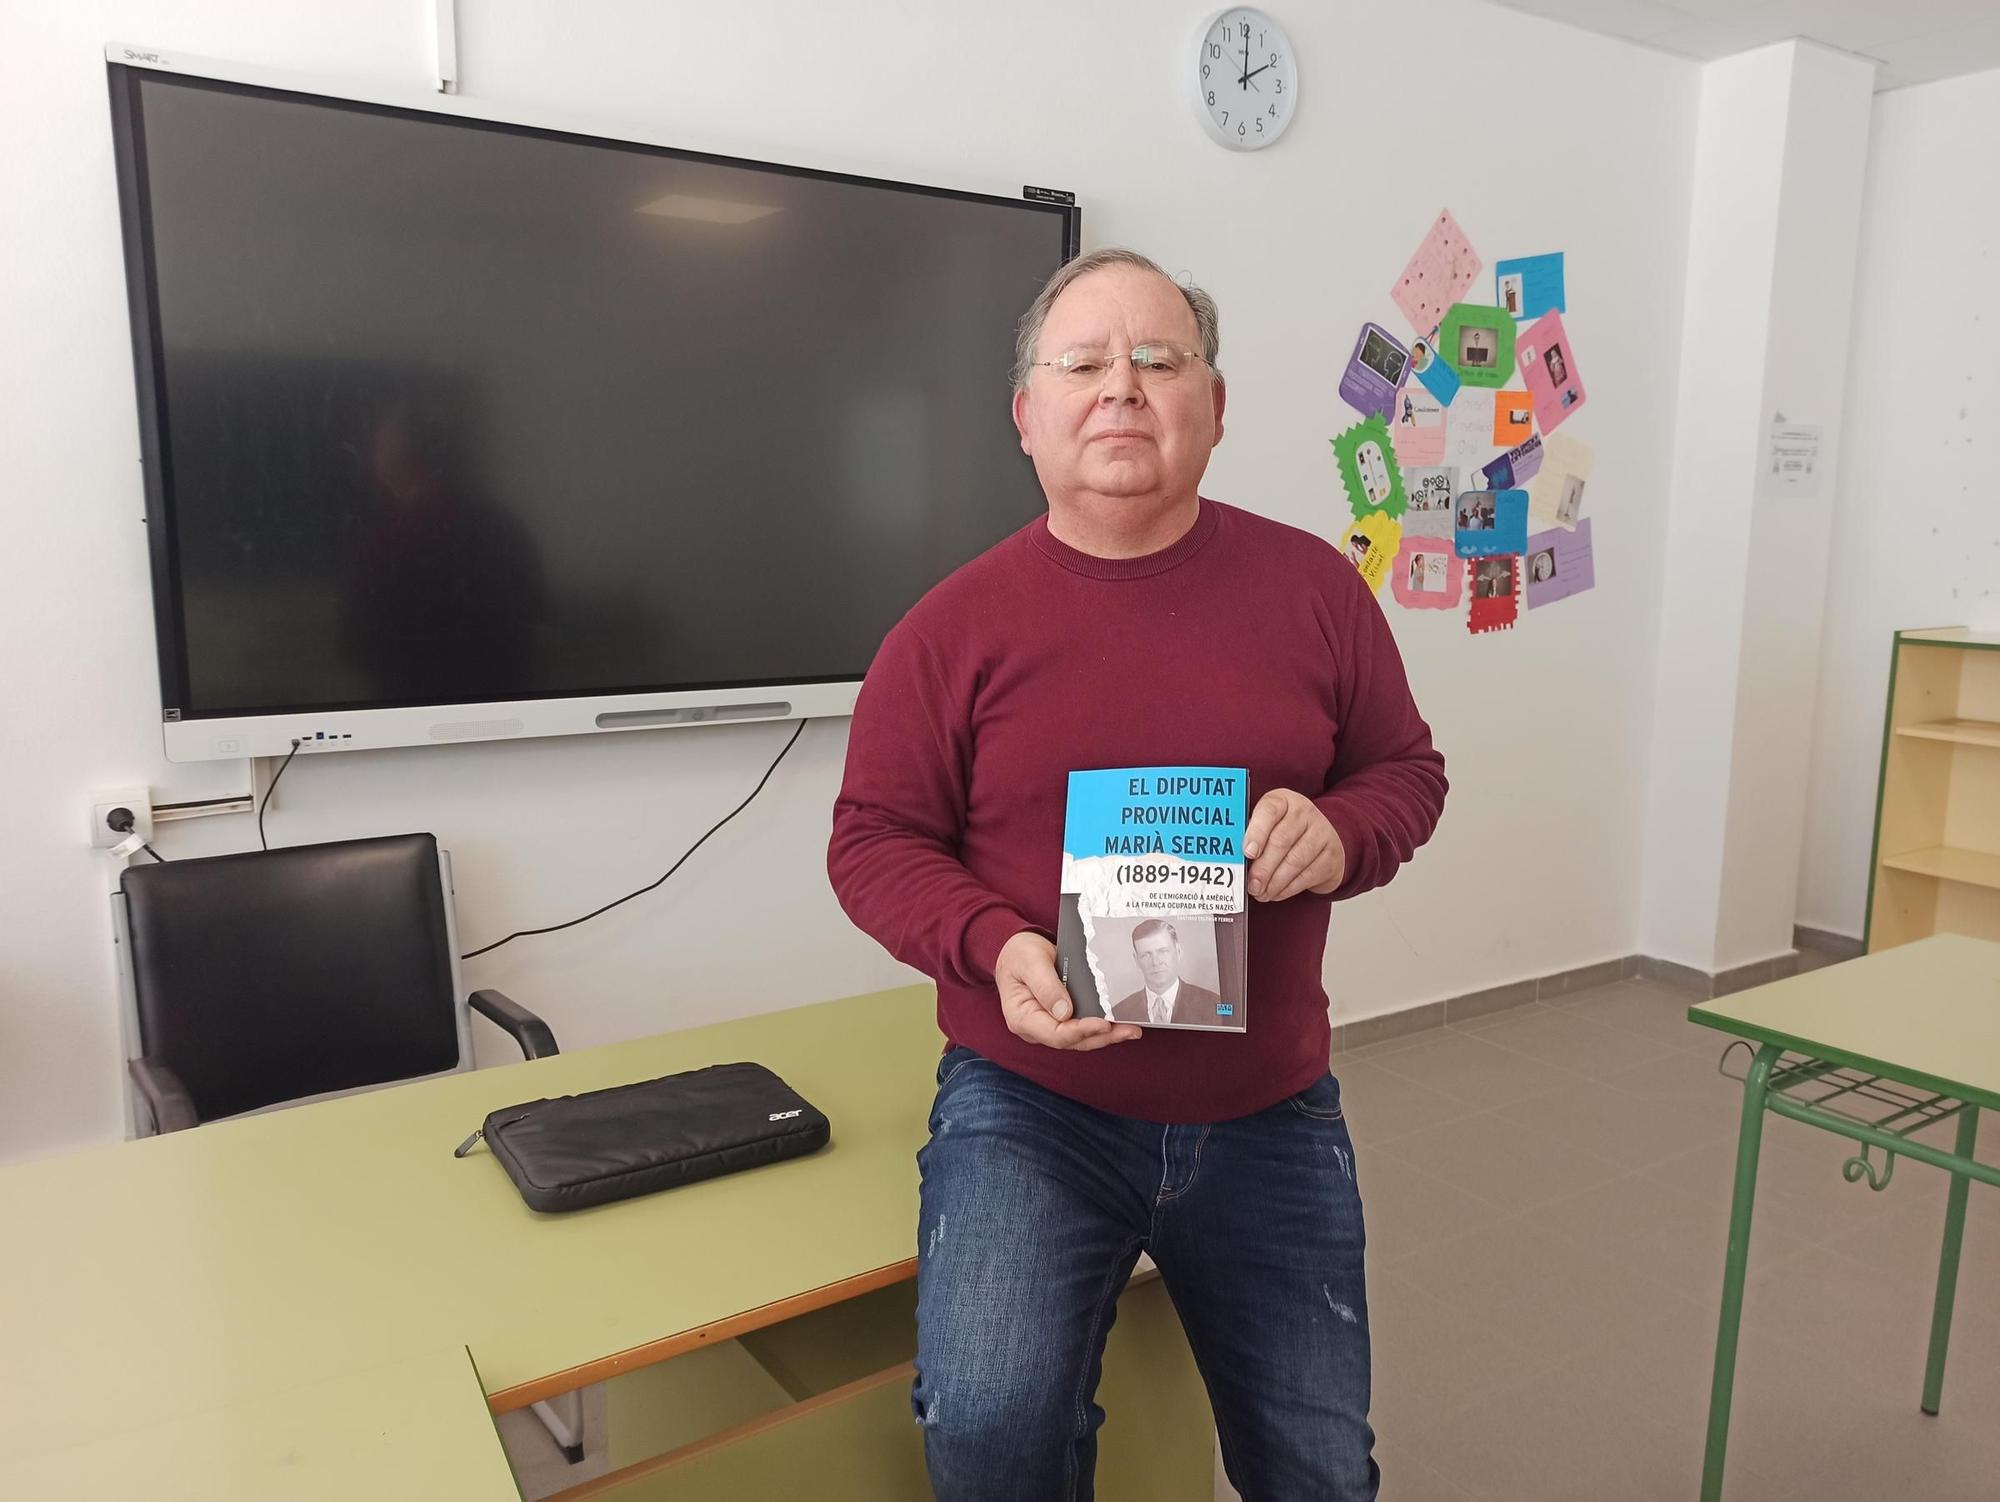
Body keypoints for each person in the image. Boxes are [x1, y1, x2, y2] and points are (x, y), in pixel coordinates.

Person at [828, 246, 1446, 1501]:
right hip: (1029, 1101)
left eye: (1160, 361)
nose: (1123, 387)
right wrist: (992, 944)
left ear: (1213, 408)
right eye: (1085, 363)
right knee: (987, 1426)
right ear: (1027, 415)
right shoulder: (945, 630)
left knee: (1319, 1463)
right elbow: (873, 839)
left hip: (1265, 1100)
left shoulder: (1315, 591)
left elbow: (1404, 771)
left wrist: (1341, 833)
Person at [1108, 919, 1231, 1027]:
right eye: (1146, 954)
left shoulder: (1214, 1005)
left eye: (1163, 951)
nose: (1155, 962)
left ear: (1178, 952)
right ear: (1136, 960)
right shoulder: (1118, 1013)